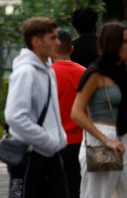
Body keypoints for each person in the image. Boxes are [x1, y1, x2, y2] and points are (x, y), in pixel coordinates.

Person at [4, 17, 69, 198]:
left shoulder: (47, 70)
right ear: (36, 41)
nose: (58, 42)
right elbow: (15, 116)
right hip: (31, 155)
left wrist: (57, 139)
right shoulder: (26, 72)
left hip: (49, 153)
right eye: (52, 38)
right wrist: (47, 140)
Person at [71, 22, 127, 198]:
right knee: (98, 195)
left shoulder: (120, 72)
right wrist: (105, 140)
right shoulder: (96, 72)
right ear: (114, 44)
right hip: (103, 138)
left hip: (122, 137)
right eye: (125, 41)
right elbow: (77, 112)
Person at [52, 30, 86, 198]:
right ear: (71, 49)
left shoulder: (46, 74)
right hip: (81, 141)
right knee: (77, 188)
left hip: (53, 142)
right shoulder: (86, 73)